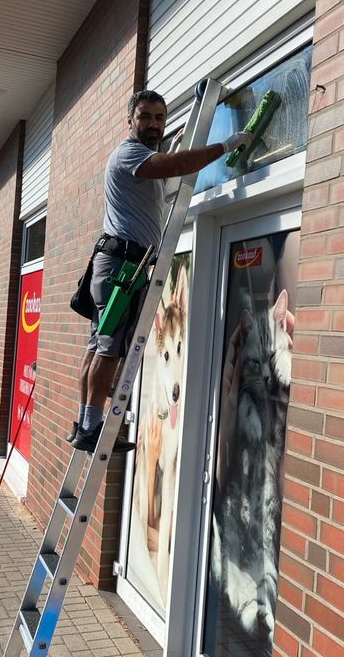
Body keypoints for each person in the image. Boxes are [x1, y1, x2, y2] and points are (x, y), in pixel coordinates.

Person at [69, 89, 252, 452]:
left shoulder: (144, 159)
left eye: (159, 118)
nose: (153, 124)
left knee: (99, 347)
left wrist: (183, 143)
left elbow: (166, 176)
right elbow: (171, 166)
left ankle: (86, 423)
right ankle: (91, 427)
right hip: (122, 267)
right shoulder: (129, 154)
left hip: (117, 263)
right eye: (145, 117)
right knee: (108, 350)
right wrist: (225, 146)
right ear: (130, 121)